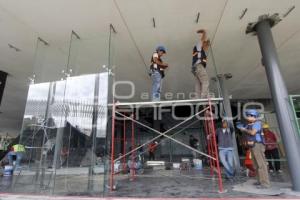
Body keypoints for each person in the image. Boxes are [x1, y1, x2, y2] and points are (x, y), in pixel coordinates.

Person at [237, 109, 270, 189]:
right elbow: (246, 133)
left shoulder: (257, 123)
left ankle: (265, 183)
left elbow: (252, 133)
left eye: (250, 116)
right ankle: (259, 181)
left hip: (258, 145)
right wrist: (242, 128)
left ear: (255, 116)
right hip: (252, 146)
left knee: (261, 164)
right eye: (248, 115)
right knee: (256, 165)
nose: (249, 117)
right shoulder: (249, 124)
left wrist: (244, 129)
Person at [192, 29, 211, 98]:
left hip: (196, 68)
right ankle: (204, 98)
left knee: (198, 84)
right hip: (199, 66)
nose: (207, 47)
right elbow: (203, 39)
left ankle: (198, 99)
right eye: (206, 45)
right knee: (205, 81)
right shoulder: (199, 47)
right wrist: (204, 32)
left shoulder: (201, 51)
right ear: (203, 44)